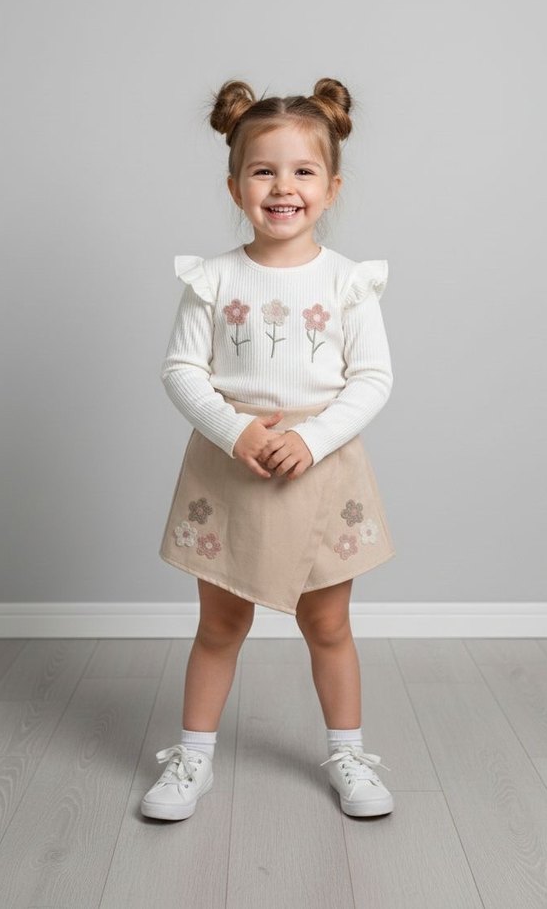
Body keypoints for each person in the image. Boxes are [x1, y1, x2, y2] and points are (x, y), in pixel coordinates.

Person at [141, 77, 396, 822]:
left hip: (321, 470)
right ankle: (193, 757)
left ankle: (348, 753)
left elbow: (372, 379)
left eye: (302, 171)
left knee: (329, 626)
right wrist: (237, 431)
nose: (283, 187)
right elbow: (181, 370)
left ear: (331, 187)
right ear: (235, 185)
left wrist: (311, 439)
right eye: (263, 171)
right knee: (221, 625)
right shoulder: (213, 280)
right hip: (231, 470)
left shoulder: (348, 283)